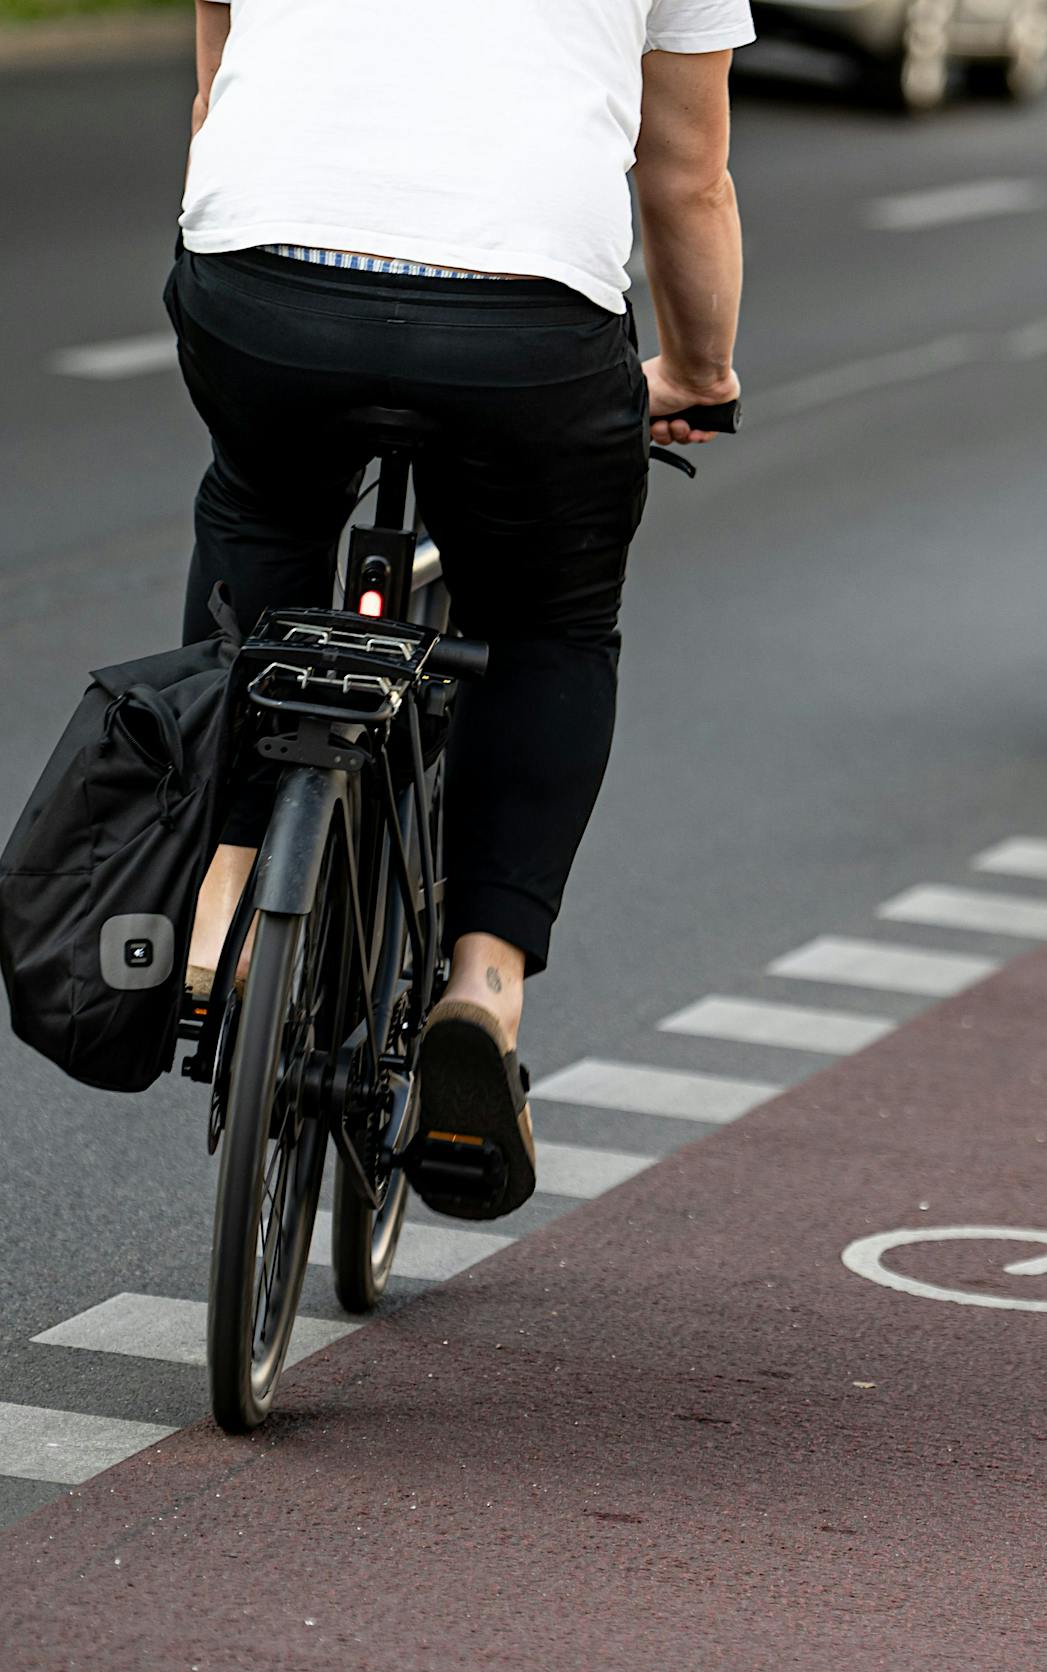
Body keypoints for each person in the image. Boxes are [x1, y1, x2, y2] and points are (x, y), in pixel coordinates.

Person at [172, 0, 750, 1219]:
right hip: (522, 328)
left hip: (262, 288)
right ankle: (481, 986)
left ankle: (222, 895)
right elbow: (687, 177)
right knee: (548, 620)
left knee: (261, 517)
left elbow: (217, 89)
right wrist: (698, 370)